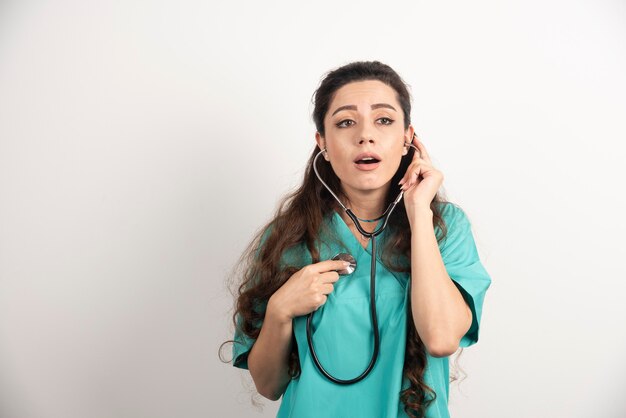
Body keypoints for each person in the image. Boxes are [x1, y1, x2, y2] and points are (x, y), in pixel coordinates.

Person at [225, 61, 492, 418]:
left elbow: (442, 339)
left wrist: (418, 211)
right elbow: (269, 385)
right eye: (345, 122)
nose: (365, 135)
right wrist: (280, 310)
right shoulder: (288, 236)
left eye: (383, 120)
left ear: (407, 139)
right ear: (323, 142)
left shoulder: (445, 228)